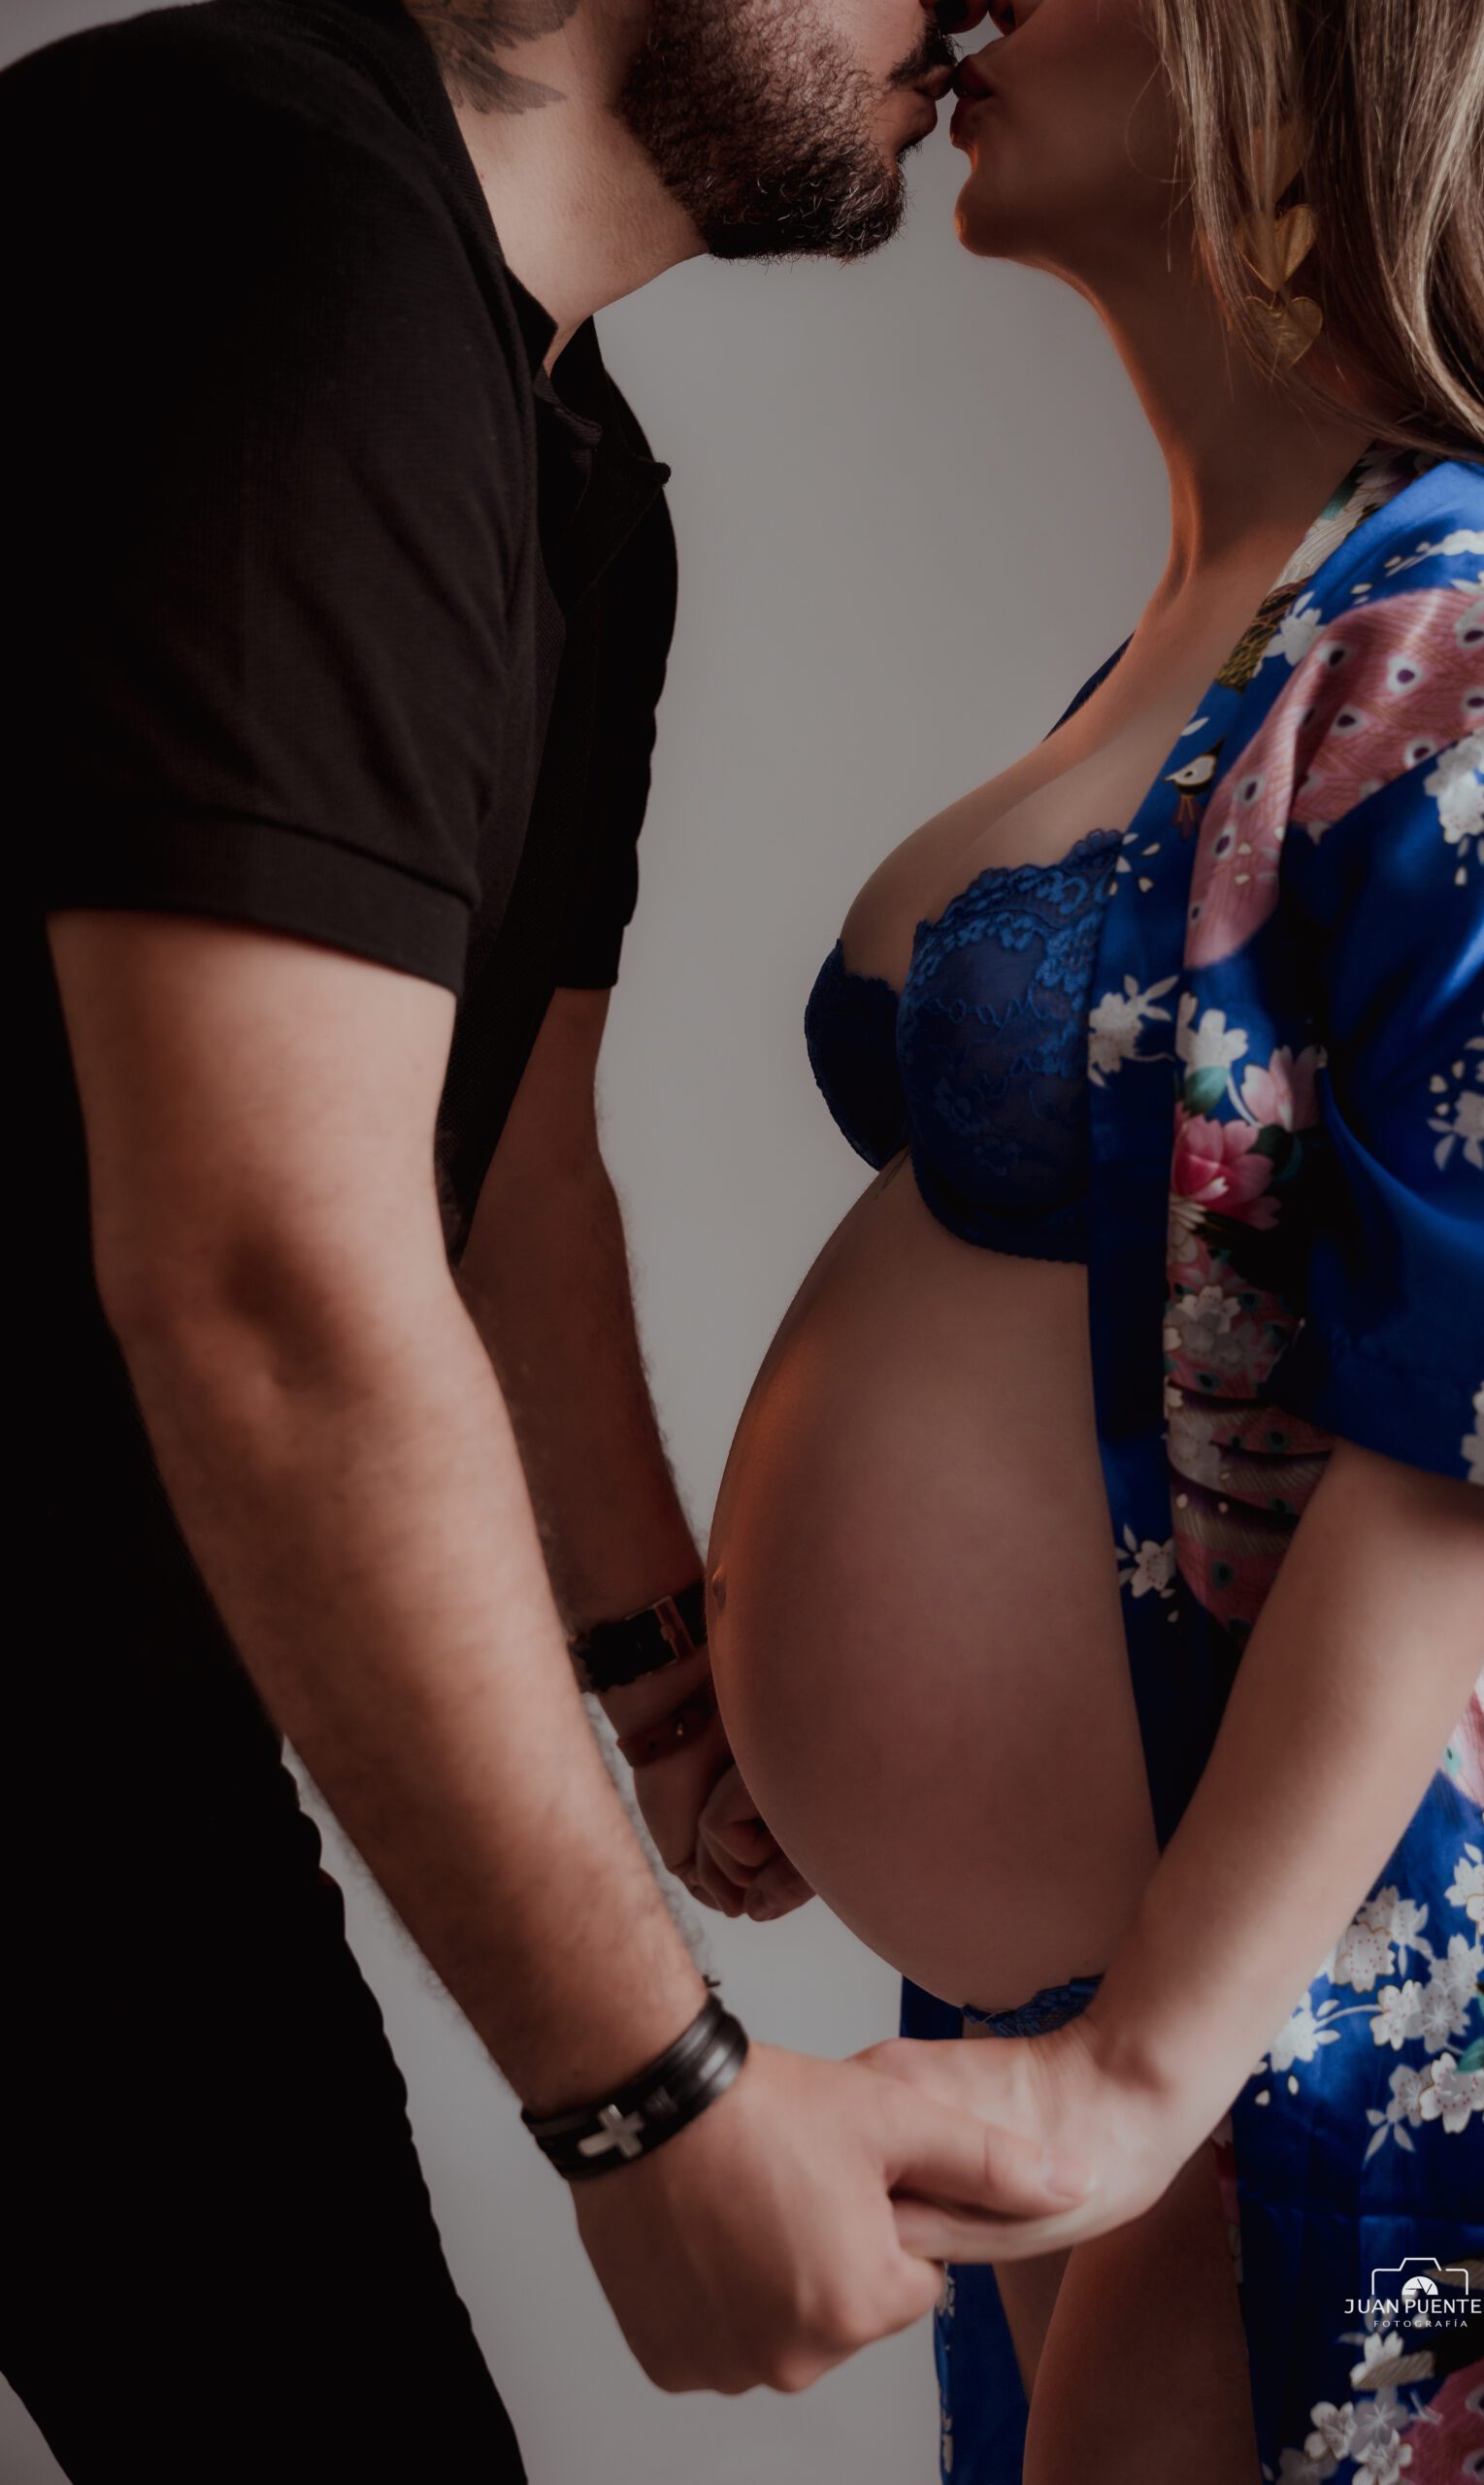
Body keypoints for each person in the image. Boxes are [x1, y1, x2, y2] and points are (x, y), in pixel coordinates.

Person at [2, 1, 1101, 2475]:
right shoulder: (267, 210)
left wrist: (663, 1681)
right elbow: (265, 1263)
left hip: (102, 1693)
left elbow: (502, 1161)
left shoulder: (569, 458)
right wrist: (649, 2097)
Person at [700, 0, 1484, 2477]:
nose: (984, 3)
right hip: (1100, 2010)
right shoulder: (1243, 608)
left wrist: (1141, 2067)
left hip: (1311, 2011)